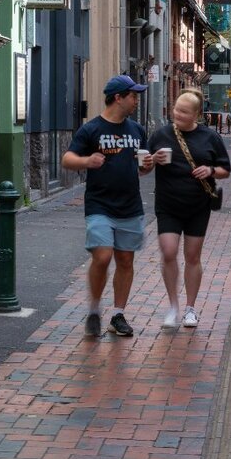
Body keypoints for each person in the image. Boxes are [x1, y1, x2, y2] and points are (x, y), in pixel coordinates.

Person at [61, 74, 154, 338]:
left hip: (131, 206)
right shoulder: (91, 129)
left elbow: (142, 169)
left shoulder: (137, 130)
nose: (136, 100)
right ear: (118, 98)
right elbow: (67, 159)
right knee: (102, 257)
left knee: (125, 259)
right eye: (133, 96)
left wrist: (148, 166)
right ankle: (93, 308)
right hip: (100, 204)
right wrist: (87, 161)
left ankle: (117, 314)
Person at [147, 89, 231, 328]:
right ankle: (173, 306)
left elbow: (225, 169)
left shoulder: (210, 138)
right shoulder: (161, 135)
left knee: (192, 257)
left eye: (184, 111)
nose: (178, 114)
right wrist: (152, 160)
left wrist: (210, 170)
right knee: (169, 251)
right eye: (176, 109)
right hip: (167, 205)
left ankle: (190, 309)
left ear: (196, 114)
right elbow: (142, 169)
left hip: (197, 206)